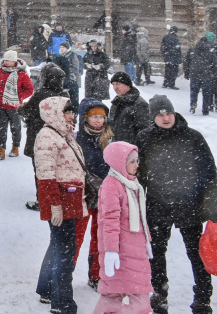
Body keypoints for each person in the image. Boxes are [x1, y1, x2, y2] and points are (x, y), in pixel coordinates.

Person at [136, 95, 217, 314]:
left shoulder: (193, 137)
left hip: (189, 205)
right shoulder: (144, 138)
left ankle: (202, 299)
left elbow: (209, 175)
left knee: (197, 254)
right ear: (152, 117)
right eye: (160, 114)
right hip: (157, 206)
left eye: (169, 113)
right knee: (156, 254)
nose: (165, 118)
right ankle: (159, 296)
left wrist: (212, 209)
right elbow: (137, 175)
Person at [34, 96, 87, 314]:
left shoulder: (62, 132)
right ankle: (62, 303)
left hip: (70, 199)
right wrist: (55, 205)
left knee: (59, 248)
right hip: (62, 202)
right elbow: (45, 177)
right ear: (54, 113)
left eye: (72, 112)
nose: (72, 116)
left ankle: (47, 288)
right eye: (67, 112)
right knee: (65, 253)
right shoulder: (47, 137)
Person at [91, 140, 152, 313]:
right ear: (119, 163)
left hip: (135, 249)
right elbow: (109, 221)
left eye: (137, 161)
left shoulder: (133, 184)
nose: (136, 165)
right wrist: (111, 250)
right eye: (131, 162)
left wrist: (147, 240)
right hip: (121, 250)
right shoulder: (111, 185)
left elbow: (141, 217)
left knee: (137, 292)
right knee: (117, 293)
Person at [72, 99, 113, 291]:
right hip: (83, 196)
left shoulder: (111, 138)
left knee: (101, 239)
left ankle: (96, 275)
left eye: (101, 117)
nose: (98, 121)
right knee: (75, 239)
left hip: (106, 197)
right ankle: (65, 275)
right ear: (85, 118)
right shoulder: (76, 139)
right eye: (94, 116)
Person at [19, 62, 69, 211]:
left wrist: (20, 108)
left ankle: (43, 200)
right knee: (56, 169)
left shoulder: (41, 95)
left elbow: (26, 110)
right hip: (59, 137)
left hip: (40, 136)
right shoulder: (65, 95)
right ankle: (57, 197)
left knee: (41, 170)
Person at [0, 49, 33, 160]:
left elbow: (29, 89)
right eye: (5, 60)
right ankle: (1, 149)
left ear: (14, 61)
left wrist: (18, 97)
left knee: (16, 128)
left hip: (14, 107)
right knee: (1, 128)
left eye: (9, 61)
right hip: (0, 105)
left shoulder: (21, 74)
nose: (6, 62)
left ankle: (15, 147)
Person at [183, 31, 217, 115]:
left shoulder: (192, 50)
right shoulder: (210, 52)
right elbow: (215, 64)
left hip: (194, 74)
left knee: (194, 91)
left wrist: (186, 73)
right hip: (207, 75)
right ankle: (205, 109)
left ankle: (193, 104)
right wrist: (216, 74)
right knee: (207, 93)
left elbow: (186, 62)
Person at [108, 72, 149, 145]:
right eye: (113, 84)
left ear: (127, 84)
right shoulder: (116, 103)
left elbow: (144, 132)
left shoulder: (139, 104)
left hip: (131, 151)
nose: (115, 88)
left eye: (117, 84)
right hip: (117, 148)